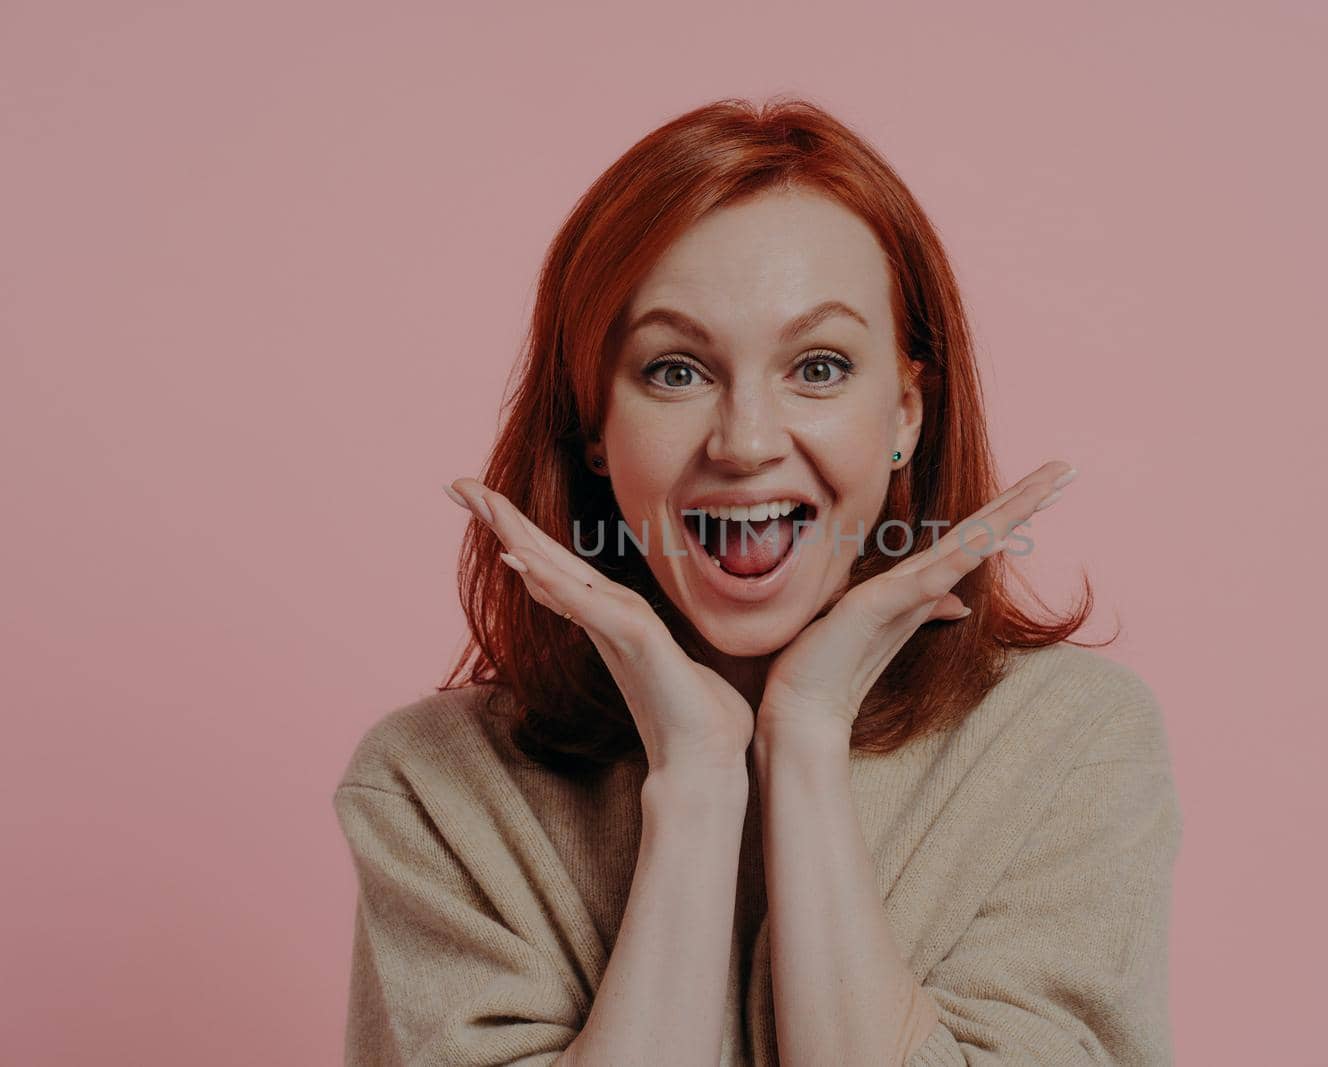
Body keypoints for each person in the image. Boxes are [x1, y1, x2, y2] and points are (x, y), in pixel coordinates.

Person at [332, 96, 1182, 1067]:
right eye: (674, 370)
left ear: (903, 409)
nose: (743, 443)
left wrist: (807, 736)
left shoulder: (1068, 744)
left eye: (817, 366)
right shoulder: (436, 785)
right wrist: (694, 781)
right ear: (593, 427)